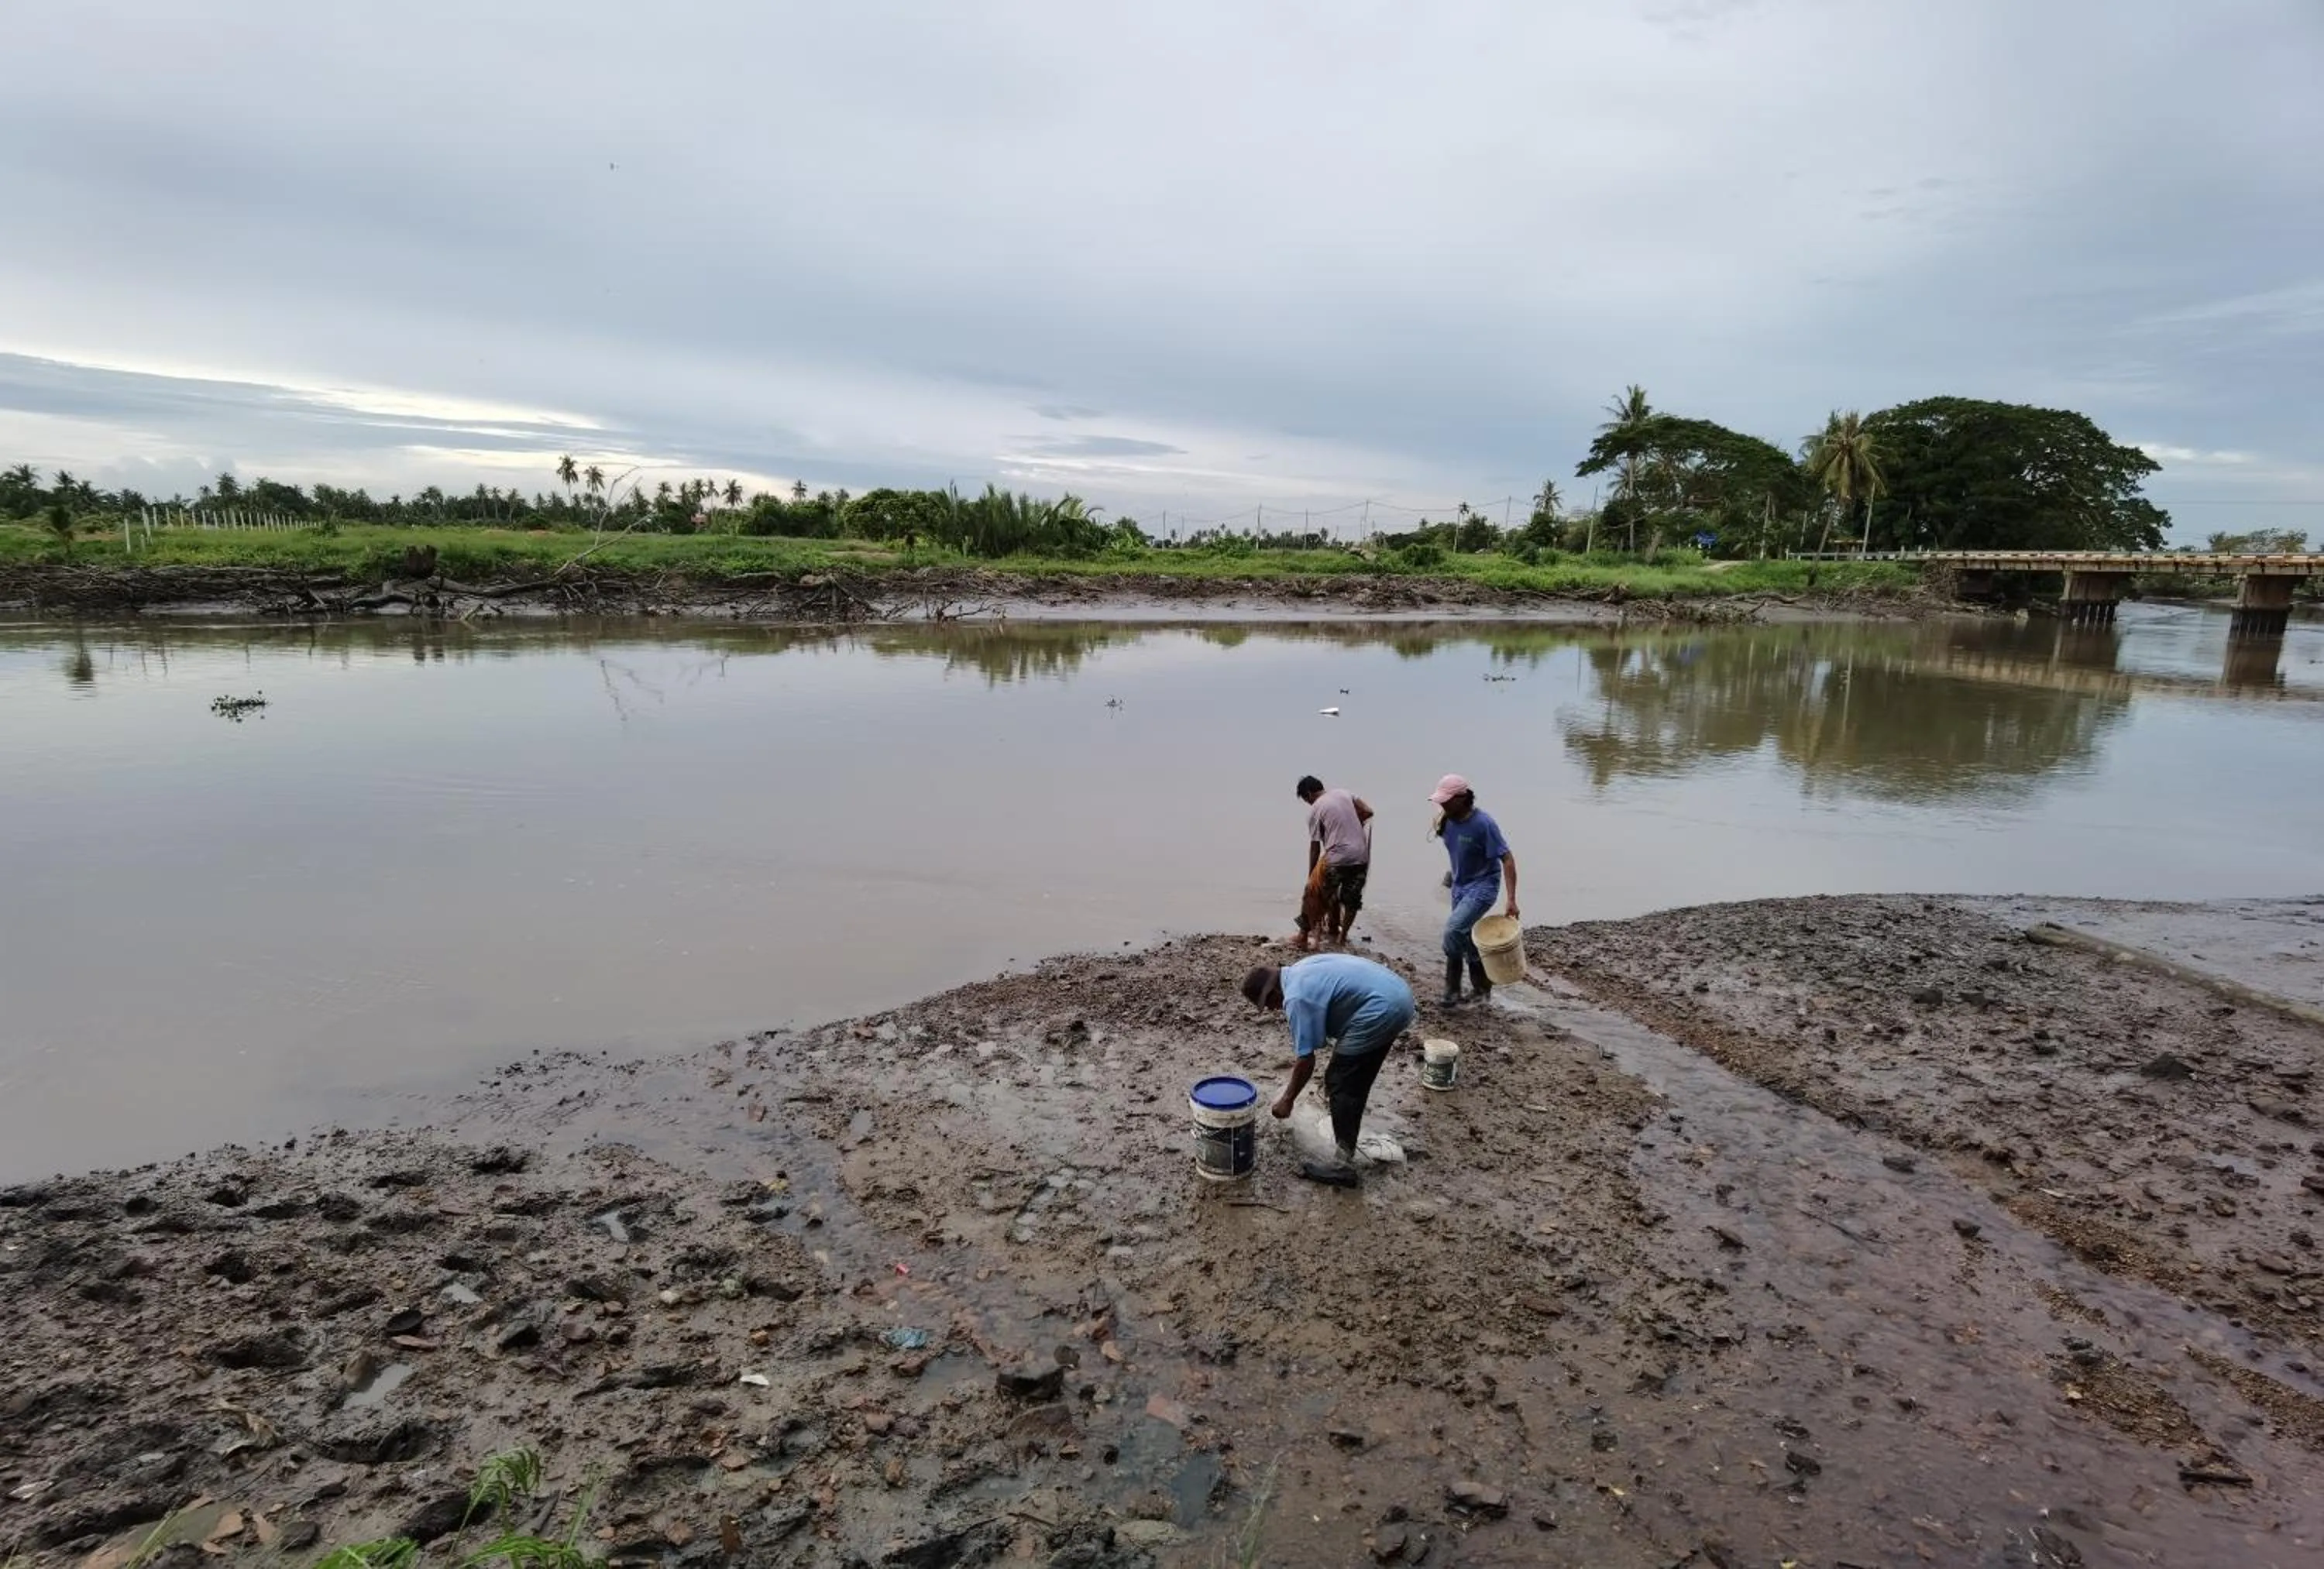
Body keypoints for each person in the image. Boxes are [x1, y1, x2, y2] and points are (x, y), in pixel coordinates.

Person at [1241, 954, 1416, 1186]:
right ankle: (1347, 1127)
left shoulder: (1296, 999)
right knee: (1352, 1078)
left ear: (1273, 992)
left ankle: (1343, 1165)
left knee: (1340, 1082)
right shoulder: (1300, 969)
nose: (1274, 1010)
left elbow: (1306, 1060)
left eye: (1270, 1004)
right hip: (1398, 996)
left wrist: (1288, 1100)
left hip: (1381, 1009)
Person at [1429, 774, 1518, 1008]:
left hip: (1484, 885)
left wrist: (1511, 900)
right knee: (1465, 937)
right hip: (1460, 885)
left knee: (1452, 931)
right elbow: (1457, 850)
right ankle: (1480, 991)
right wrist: (1451, 877)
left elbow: (1507, 859)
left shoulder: (1483, 824)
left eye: (1447, 800)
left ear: (1462, 798)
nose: (1443, 805)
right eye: (1441, 801)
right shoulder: (1445, 821)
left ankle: (1452, 991)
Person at [1294, 774, 1373, 949]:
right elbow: (1368, 811)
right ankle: (1341, 938)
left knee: (1313, 893)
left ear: (1308, 794)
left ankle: (1303, 935)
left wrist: (1311, 874)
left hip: (1337, 857)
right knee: (1351, 900)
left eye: (1306, 800)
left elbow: (1315, 847)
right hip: (1361, 856)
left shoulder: (1315, 809)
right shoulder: (1344, 793)